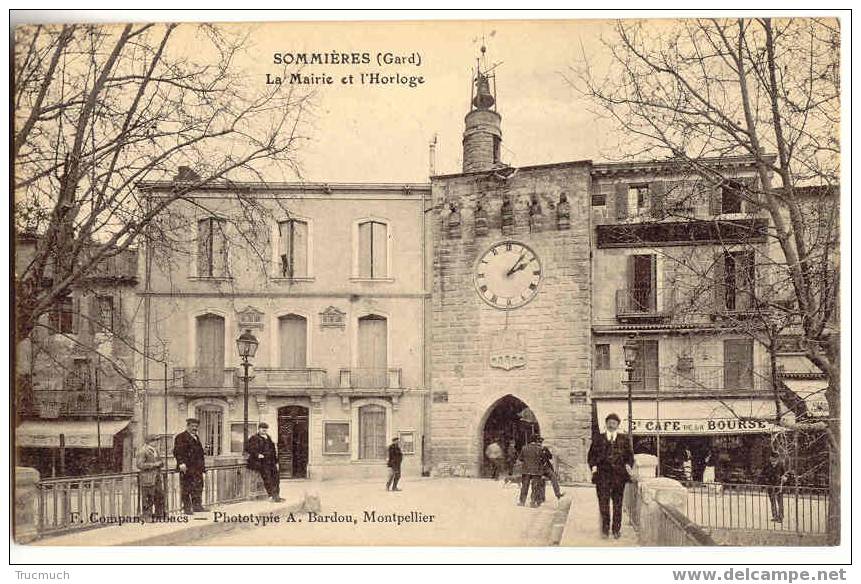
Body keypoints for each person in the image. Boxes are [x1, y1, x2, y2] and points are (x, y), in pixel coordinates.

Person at [588, 413, 634, 539]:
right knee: (603, 504)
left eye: (614, 422)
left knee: (618, 504)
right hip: (602, 476)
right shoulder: (598, 438)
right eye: (609, 422)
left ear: (618, 425)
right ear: (606, 424)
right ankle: (605, 529)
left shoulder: (624, 439)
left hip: (619, 477)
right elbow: (591, 456)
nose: (611, 424)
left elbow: (630, 457)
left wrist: (629, 466)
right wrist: (594, 468)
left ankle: (616, 530)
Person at [174, 417, 207, 515]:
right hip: (187, 468)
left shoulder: (196, 437)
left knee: (198, 486)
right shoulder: (181, 437)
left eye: (196, 426)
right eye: (192, 426)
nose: (194, 428)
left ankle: (197, 506)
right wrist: (181, 463)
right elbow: (177, 451)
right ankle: (187, 508)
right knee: (187, 488)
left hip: (197, 468)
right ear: (187, 426)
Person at [246, 422, 282, 502]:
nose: (264, 431)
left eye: (265, 429)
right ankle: (271, 496)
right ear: (259, 429)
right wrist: (257, 454)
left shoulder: (268, 437)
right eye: (262, 429)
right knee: (268, 478)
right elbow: (248, 448)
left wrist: (276, 462)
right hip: (261, 462)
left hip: (271, 461)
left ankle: (277, 496)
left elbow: (273, 450)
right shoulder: (254, 438)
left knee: (276, 478)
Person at [136, 434, 165, 522]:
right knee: (148, 497)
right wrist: (154, 465)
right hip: (147, 478)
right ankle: (147, 516)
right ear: (149, 441)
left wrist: (160, 463)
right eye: (155, 440)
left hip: (156, 477)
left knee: (159, 496)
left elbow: (160, 461)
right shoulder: (143, 451)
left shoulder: (155, 450)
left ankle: (159, 515)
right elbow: (139, 465)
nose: (157, 442)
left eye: (157, 440)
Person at [517, 435, 545, 507]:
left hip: (526, 470)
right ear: (536, 440)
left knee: (525, 486)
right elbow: (543, 459)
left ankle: (522, 502)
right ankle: (533, 502)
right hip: (536, 470)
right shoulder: (539, 449)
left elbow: (520, 458)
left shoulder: (524, 448)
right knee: (535, 486)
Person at [759, 451, 787, 522]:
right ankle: (775, 516)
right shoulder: (767, 465)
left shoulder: (781, 465)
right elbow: (762, 475)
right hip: (770, 486)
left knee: (780, 502)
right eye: (771, 461)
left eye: (775, 461)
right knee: (772, 502)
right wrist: (762, 486)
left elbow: (785, 474)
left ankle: (780, 517)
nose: (773, 463)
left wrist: (785, 478)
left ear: (777, 459)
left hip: (778, 486)